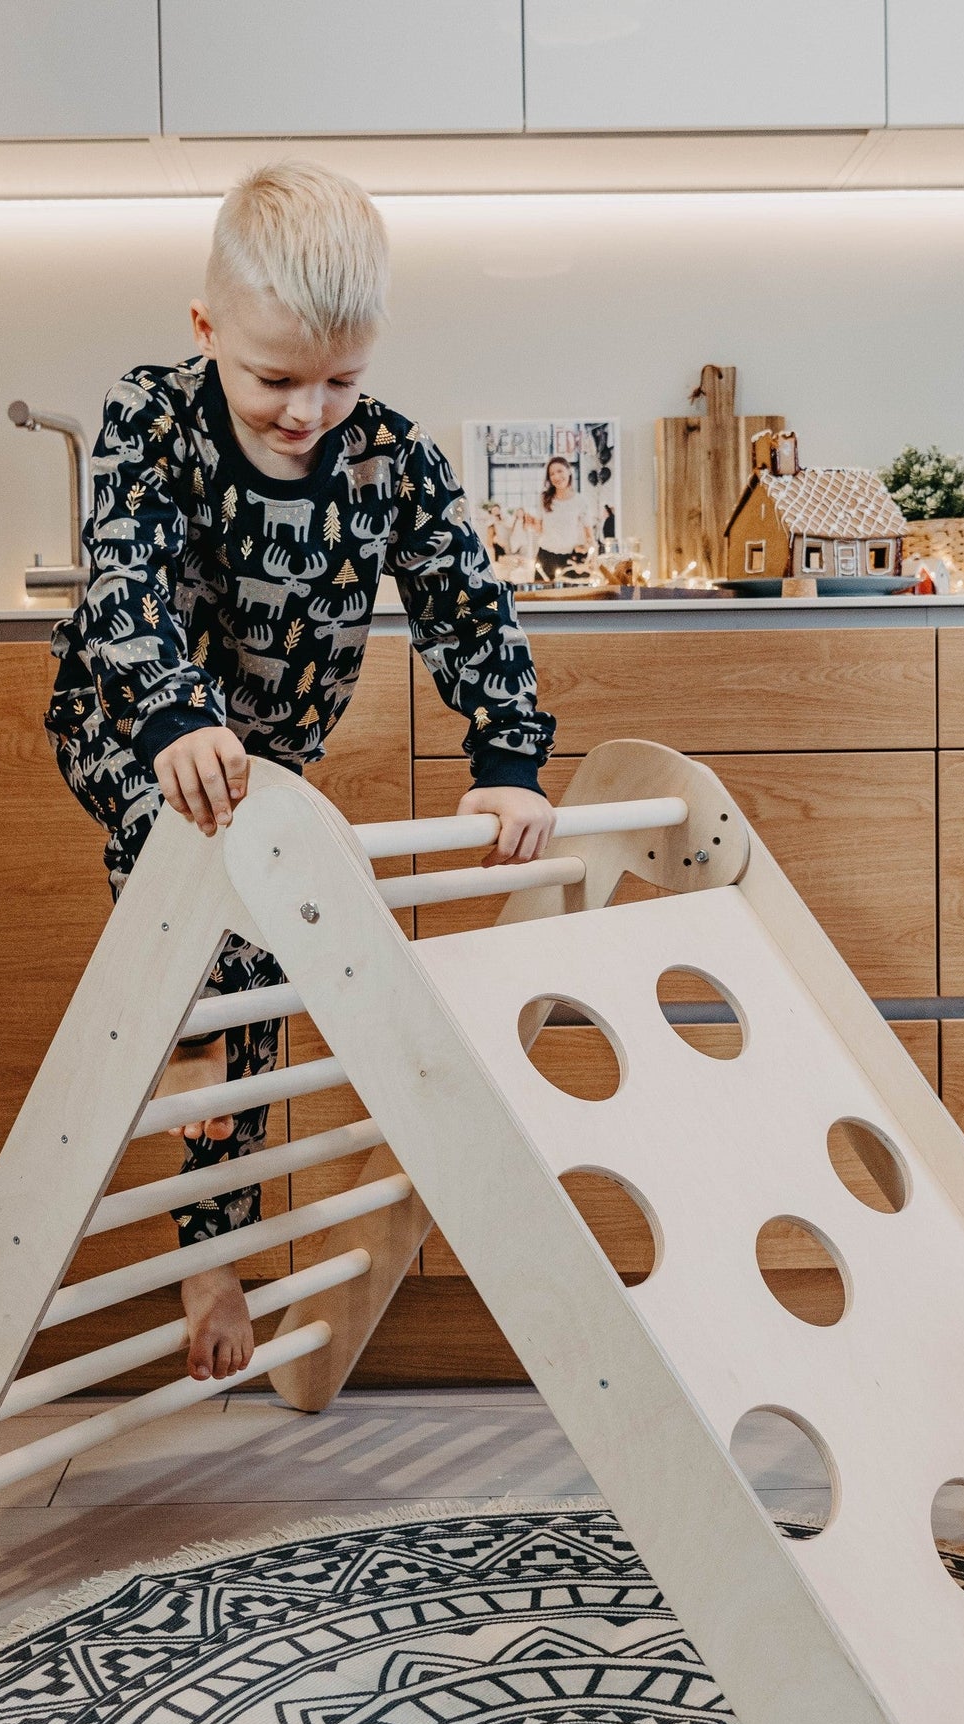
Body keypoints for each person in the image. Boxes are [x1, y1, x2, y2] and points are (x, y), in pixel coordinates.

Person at [45, 161, 557, 1386]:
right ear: (205, 328)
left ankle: (212, 1245)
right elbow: (123, 566)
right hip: (129, 712)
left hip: (267, 767)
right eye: (274, 379)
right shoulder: (152, 414)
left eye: (340, 380)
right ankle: (183, 1045)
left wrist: (506, 758)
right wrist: (173, 713)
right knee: (193, 901)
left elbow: (466, 605)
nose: (305, 411)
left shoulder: (389, 460)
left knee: (256, 991)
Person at [531, 453, 607, 582]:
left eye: (560, 471)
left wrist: (593, 561)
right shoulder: (544, 499)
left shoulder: (580, 501)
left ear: (569, 471)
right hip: (545, 556)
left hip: (570, 559)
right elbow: (539, 529)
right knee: (542, 593)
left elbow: (589, 536)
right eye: (552, 474)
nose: (556, 476)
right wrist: (531, 524)